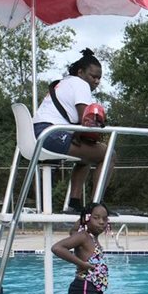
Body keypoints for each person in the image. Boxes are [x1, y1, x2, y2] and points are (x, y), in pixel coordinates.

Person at [32, 48, 110, 214]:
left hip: (38, 134)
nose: (96, 81)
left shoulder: (65, 82)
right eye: (93, 76)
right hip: (50, 134)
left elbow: (81, 127)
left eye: (99, 78)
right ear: (80, 72)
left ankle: (74, 203)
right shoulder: (81, 84)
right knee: (109, 154)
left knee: (87, 154)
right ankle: (97, 207)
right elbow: (86, 121)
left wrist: (84, 136)